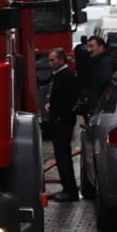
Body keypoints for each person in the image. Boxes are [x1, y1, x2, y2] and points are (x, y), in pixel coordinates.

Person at [44, 48, 80, 202]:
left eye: (53, 60)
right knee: (61, 157)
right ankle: (67, 189)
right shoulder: (60, 75)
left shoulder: (66, 76)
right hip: (60, 120)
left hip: (62, 122)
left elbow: (68, 100)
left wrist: (57, 114)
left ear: (61, 59)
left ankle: (70, 191)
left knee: (63, 157)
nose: (50, 63)